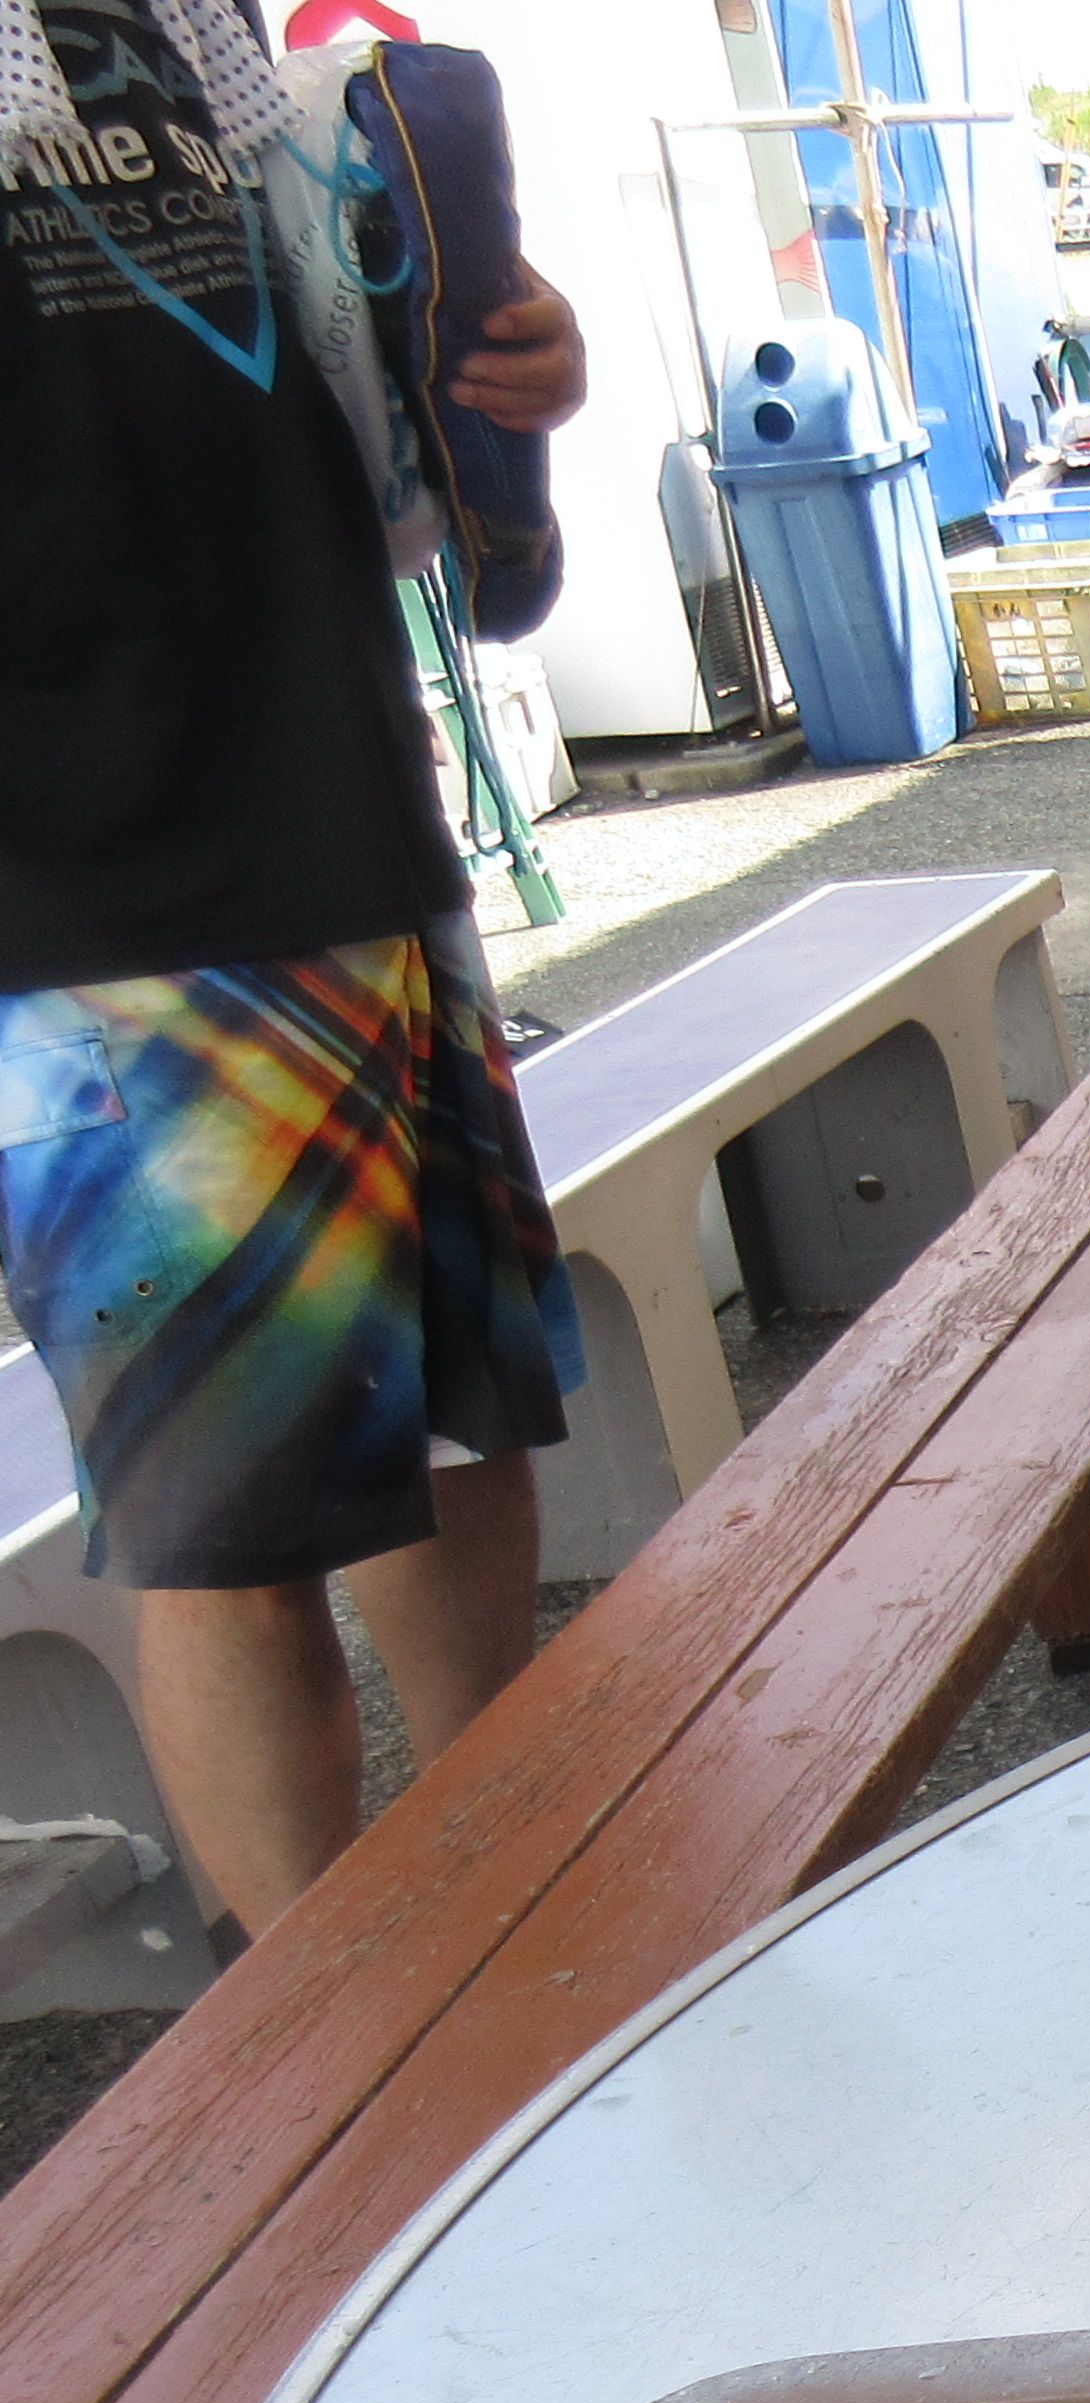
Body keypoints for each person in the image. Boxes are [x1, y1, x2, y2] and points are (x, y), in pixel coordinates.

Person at [0, 0, 590, 1933]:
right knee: (235, 1535)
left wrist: (501, 361)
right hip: (91, 896)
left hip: (351, 797)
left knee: (460, 1424)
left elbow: (321, 356)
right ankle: (328, 2050)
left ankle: (532, 1935)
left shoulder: (177, 23)